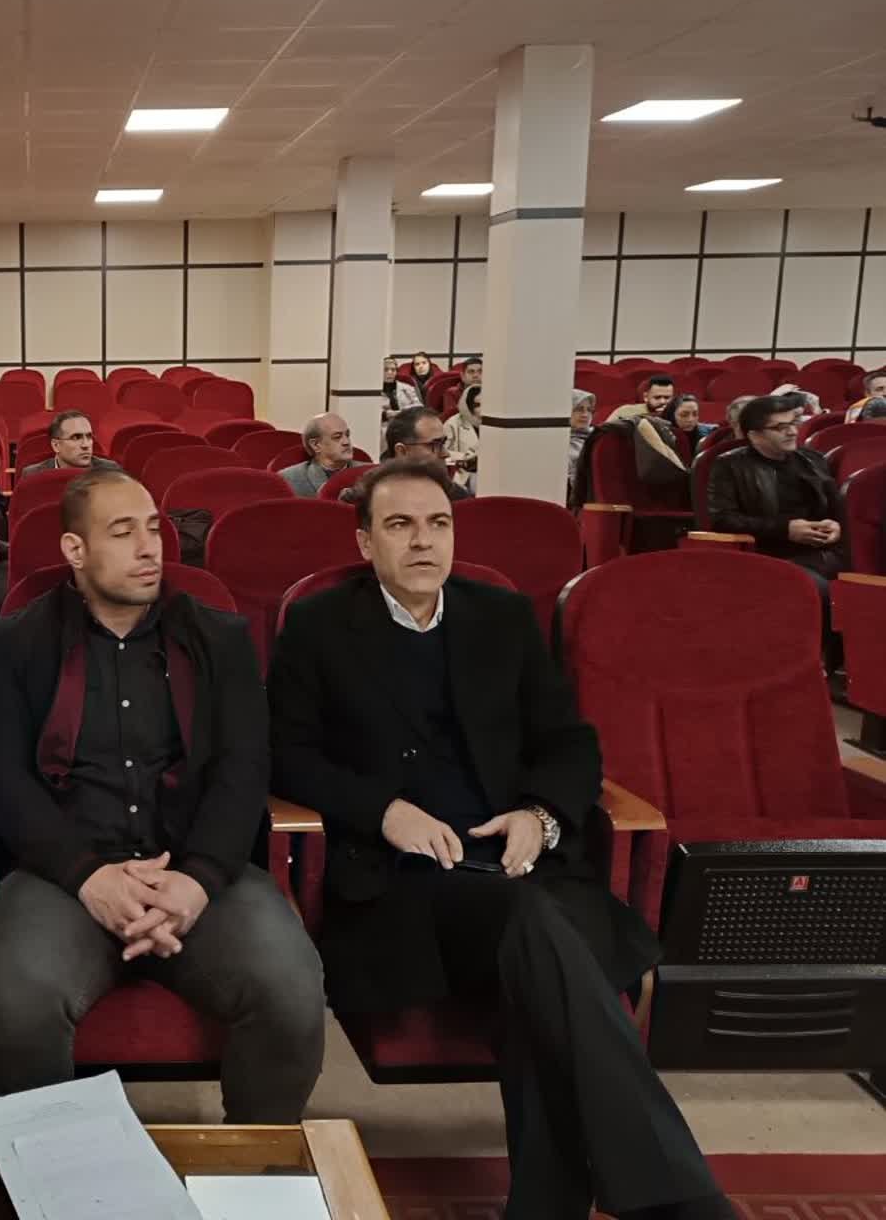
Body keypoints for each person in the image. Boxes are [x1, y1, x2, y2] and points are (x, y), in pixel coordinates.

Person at [268, 461, 733, 1220]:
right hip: (408, 882)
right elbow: (287, 754)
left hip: (523, 864)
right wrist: (383, 811)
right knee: (539, 933)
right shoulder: (319, 627)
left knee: (537, 972)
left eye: (438, 524)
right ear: (365, 542)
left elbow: (569, 743)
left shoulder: (503, 617)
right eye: (399, 525)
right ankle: (679, 1199)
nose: (423, 541)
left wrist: (539, 815)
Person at [0, 469, 325, 1122]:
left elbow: (244, 769)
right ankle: (51, 1174)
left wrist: (197, 880)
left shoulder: (219, 637)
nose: (148, 547)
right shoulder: (15, 643)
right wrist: (88, 877)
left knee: (289, 986)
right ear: (75, 550)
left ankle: (254, 1168)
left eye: (154, 528)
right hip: (63, 875)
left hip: (196, 869)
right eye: (122, 531)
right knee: (18, 1001)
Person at [709, 395, 845, 597]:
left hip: (823, 553)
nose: (792, 432)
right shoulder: (729, 465)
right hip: (767, 554)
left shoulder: (813, 460)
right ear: (755, 436)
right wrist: (785, 529)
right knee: (823, 592)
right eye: (780, 427)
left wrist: (835, 526)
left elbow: (837, 509)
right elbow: (722, 520)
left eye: (793, 423)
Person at [375, 406, 473, 500]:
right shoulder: (376, 497)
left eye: (443, 443)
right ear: (402, 451)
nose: (445, 453)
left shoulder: (455, 495)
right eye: (434, 445)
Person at [278, 412, 361, 497]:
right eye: (337, 437)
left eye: (347, 435)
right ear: (316, 445)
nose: (346, 442)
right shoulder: (289, 479)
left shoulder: (368, 473)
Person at [18, 410, 122, 477]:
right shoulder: (33, 475)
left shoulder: (110, 471)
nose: (86, 445)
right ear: (56, 445)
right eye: (76, 438)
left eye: (89, 436)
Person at [441, 384, 482, 490]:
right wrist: (464, 458)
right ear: (468, 406)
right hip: (463, 474)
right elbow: (442, 455)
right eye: (477, 405)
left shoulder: (496, 425)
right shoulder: (452, 423)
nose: (483, 409)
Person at [606, 373, 676, 424]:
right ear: (645, 397)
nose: (662, 401)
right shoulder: (625, 411)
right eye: (657, 397)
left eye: (667, 398)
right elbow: (604, 432)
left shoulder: (677, 415)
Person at [569, 389, 596, 503]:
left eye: (589, 410)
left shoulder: (598, 437)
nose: (585, 415)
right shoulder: (554, 442)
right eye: (579, 409)